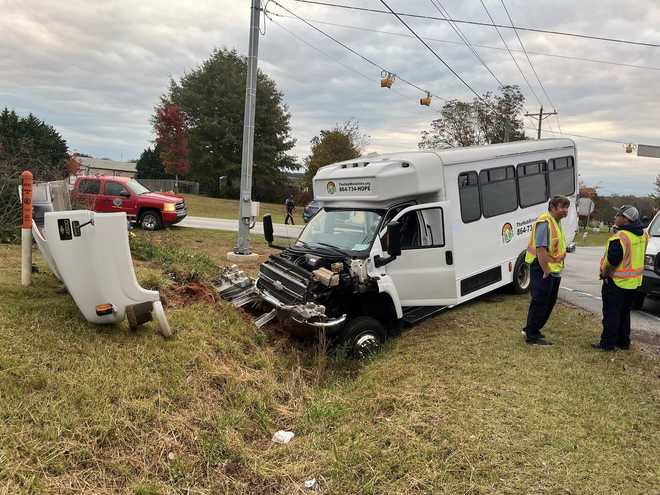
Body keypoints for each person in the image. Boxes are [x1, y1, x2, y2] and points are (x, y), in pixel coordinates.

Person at [594, 205, 649, 351]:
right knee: (624, 313)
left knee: (611, 313)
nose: (615, 217)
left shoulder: (620, 238)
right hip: (634, 282)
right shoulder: (643, 234)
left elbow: (612, 261)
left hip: (616, 282)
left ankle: (607, 344)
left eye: (618, 215)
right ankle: (623, 341)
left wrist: (604, 275)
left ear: (626, 219)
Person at [522, 196, 571, 345]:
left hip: (553, 270)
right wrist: (546, 270)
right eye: (562, 207)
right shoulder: (545, 222)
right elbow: (541, 250)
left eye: (567, 207)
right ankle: (531, 335)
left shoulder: (556, 222)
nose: (565, 211)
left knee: (549, 302)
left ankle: (533, 330)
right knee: (540, 301)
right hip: (543, 269)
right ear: (552, 207)